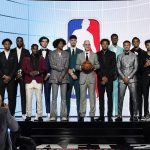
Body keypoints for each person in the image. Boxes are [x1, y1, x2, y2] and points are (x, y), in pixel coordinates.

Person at [76, 40, 100, 122]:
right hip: (82, 78)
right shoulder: (79, 55)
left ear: (90, 45)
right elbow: (76, 66)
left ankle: (92, 114)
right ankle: (82, 114)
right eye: (85, 44)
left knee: (92, 97)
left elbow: (98, 65)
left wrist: (92, 67)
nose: (87, 46)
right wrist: (82, 67)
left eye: (88, 44)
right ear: (83, 45)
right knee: (82, 97)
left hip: (91, 78)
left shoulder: (94, 55)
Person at [22, 44, 47, 122]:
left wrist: (38, 72)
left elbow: (44, 68)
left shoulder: (41, 58)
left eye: (36, 49)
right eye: (34, 49)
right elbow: (23, 68)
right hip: (29, 80)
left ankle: (39, 116)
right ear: (31, 49)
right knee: (28, 99)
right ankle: (28, 115)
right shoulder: (26, 58)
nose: (35, 50)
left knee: (39, 99)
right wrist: (29, 73)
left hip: (38, 80)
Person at [115, 40, 138, 122]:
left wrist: (128, 77)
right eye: (125, 45)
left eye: (128, 45)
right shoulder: (119, 56)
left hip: (132, 79)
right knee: (120, 98)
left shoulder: (134, 56)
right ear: (123, 46)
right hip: (122, 79)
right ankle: (119, 115)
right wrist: (124, 77)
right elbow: (118, 68)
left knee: (134, 98)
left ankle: (135, 115)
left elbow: (136, 68)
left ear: (130, 45)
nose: (126, 46)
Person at [96, 39, 117, 122]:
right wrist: (102, 77)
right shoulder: (97, 54)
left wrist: (107, 77)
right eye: (103, 44)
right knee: (101, 98)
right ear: (101, 44)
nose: (104, 45)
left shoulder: (112, 54)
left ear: (108, 45)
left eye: (106, 44)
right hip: (100, 79)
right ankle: (101, 116)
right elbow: (96, 67)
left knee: (109, 98)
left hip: (109, 79)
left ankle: (109, 116)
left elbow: (113, 67)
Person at [49, 38, 69, 122]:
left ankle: (63, 115)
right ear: (56, 44)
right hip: (54, 77)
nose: (61, 45)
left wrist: (62, 75)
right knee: (54, 97)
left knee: (64, 98)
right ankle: (53, 115)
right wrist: (60, 69)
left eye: (63, 44)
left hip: (64, 77)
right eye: (60, 43)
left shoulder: (67, 53)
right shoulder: (51, 53)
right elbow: (52, 65)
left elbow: (67, 66)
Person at [11, 37, 30, 120]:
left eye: (20, 41)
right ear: (16, 42)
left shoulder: (26, 51)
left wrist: (21, 73)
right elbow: (10, 64)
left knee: (23, 95)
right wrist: (15, 73)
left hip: (23, 76)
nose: (19, 42)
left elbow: (28, 64)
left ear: (23, 42)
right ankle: (12, 114)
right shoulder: (11, 51)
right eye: (17, 41)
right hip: (13, 76)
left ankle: (23, 113)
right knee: (12, 96)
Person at [66, 35, 83, 118]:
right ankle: (66, 114)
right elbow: (64, 65)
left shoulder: (81, 51)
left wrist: (76, 72)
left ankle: (80, 114)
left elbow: (83, 64)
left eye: (74, 40)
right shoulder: (65, 52)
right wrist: (71, 73)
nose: (73, 41)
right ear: (69, 41)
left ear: (76, 41)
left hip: (78, 77)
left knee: (79, 96)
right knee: (67, 96)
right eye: (71, 40)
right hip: (68, 77)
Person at [0, 38, 17, 116]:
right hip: (1, 79)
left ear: (10, 45)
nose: (7, 45)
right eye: (5, 44)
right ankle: (1, 114)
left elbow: (15, 67)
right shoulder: (0, 55)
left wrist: (9, 76)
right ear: (3, 45)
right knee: (1, 97)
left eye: (8, 44)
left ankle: (11, 114)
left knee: (11, 98)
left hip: (11, 79)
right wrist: (3, 76)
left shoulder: (14, 55)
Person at [130, 37, 144, 121]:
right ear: (132, 43)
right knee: (132, 96)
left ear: (139, 42)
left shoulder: (143, 52)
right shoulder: (129, 52)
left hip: (141, 77)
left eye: (137, 41)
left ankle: (140, 114)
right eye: (134, 42)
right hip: (132, 77)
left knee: (140, 96)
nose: (135, 43)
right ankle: (132, 114)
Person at [109, 34, 123, 116]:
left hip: (120, 74)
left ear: (118, 39)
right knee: (110, 94)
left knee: (118, 95)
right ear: (111, 39)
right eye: (113, 38)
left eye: (116, 38)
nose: (114, 39)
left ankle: (117, 113)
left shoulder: (121, 49)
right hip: (110, 75)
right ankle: (110, 113)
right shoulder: (108, 48)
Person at [38, 36, 52, 120]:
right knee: (38, 95)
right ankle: (38, 113)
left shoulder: (51, 52)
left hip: (48, 77)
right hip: (38, 77)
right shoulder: (36, 52)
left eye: (46, 41)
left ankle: (48, 113)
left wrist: (49, 74)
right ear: (40, 42)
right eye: (43, 41)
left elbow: (52, 64)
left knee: (47, 95)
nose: (44, 43)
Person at [140, 40, 150, 120]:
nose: (149, 46)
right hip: (145, 78)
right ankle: (146, 114)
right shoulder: (142, 54)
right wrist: (145, 65)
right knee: (145, 96)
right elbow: (140, 68)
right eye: (147, 45)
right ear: (145, 46)